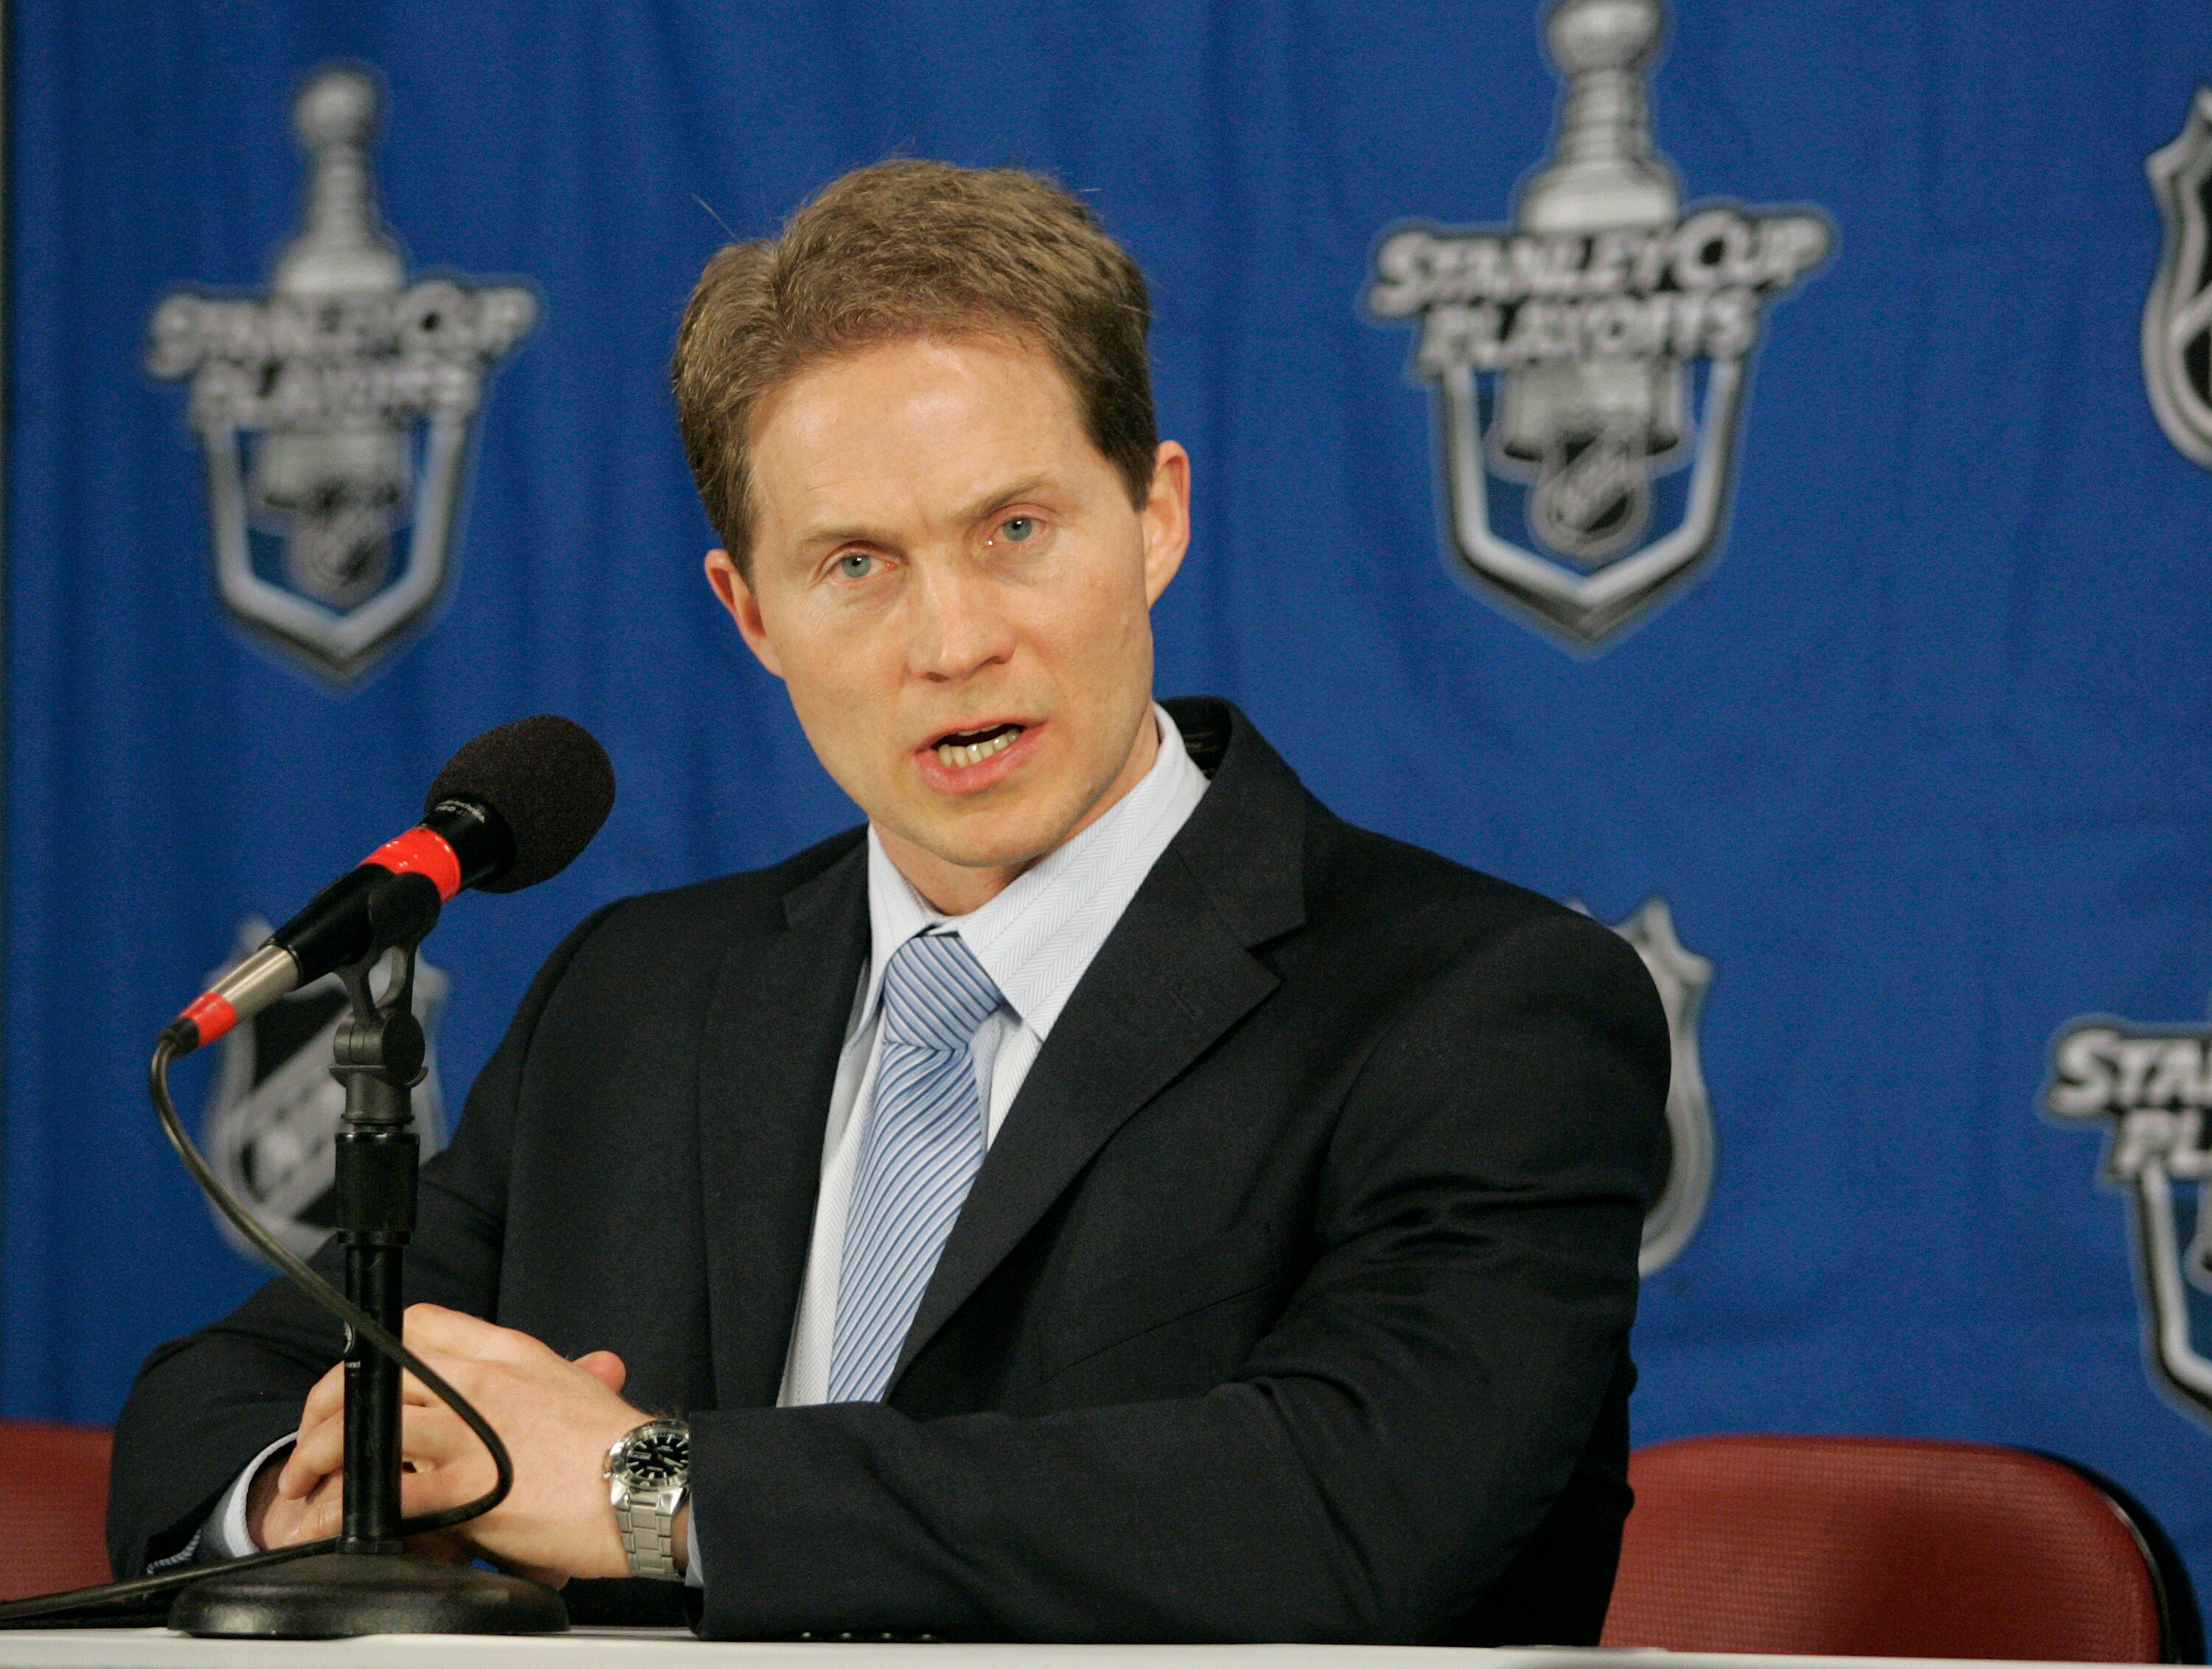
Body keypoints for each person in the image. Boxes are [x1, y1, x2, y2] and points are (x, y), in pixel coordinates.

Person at [110, 159, 1667, 1644]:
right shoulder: (640, 997)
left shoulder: (1484, 1007)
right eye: (856, 563)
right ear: (752, 612)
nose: (953, 639)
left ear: (1158, 516)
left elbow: (1350, 1511)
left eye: (1015, 530)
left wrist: (643, 1491)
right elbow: (220, 1400)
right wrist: (334, 1496)